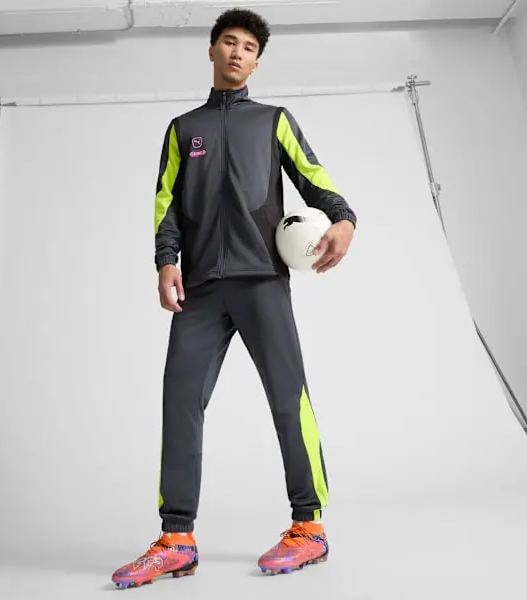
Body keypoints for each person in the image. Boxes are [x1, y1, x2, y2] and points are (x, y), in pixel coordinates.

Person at [112, 8, 357, 588]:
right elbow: (166, 203)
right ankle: (176, 538)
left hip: (261, 280)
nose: (238, 52)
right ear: (212, 50)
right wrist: (166, 262)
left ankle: (309, 527)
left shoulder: (273, 121)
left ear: (256, 61)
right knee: (180, 401)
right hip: (200, 287)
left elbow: (314, 177)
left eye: (249, 46)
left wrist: (345, 219)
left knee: (288, 399)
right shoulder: (183, 129)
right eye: (229, 42)